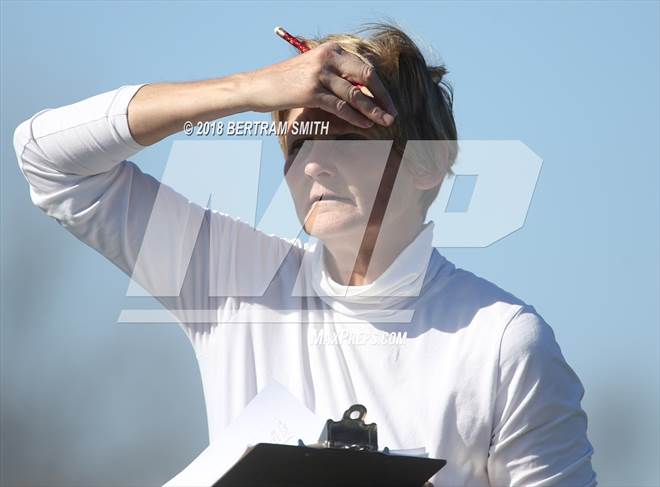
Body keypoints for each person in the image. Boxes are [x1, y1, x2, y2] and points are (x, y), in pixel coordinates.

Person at [13, 23, 596, 486]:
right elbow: (47, 159)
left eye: (345, 137)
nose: (313, 164)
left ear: (429, 163)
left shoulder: (503, 343)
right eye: (297, 143)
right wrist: (247, 90)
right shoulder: (234, 279)